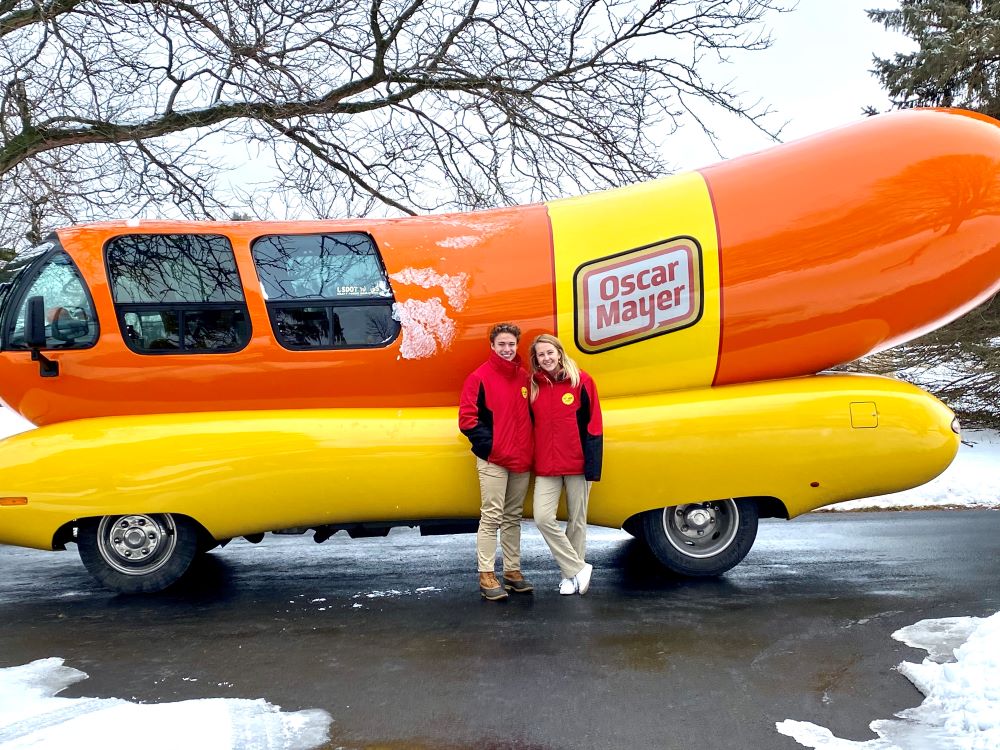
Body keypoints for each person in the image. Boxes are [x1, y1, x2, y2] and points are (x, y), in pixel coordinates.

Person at [459, 323, 534, 601]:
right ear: (492, 346)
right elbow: (467, 420)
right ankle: (486, 574)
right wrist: (493, 447)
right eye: (501, 344)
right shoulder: (478, 378)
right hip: (493, 460)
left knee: (513, 517)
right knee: (491, 517)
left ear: (517, 346)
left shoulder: (524, 377)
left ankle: (512, 572)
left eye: (511, 344)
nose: (507, 349)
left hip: (521, 460)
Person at [528, 334, 603, 595]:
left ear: (559, 353)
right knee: (542, 517)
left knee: (577, 521)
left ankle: (569, 578)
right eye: (541, 355)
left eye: (550, 352)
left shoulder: (582, 381)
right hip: (546, 466)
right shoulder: (534, 387)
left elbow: (594, 424)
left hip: (577, 463)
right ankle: (578, 568)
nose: (547, 358)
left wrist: (593, 466)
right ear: (536, 360)